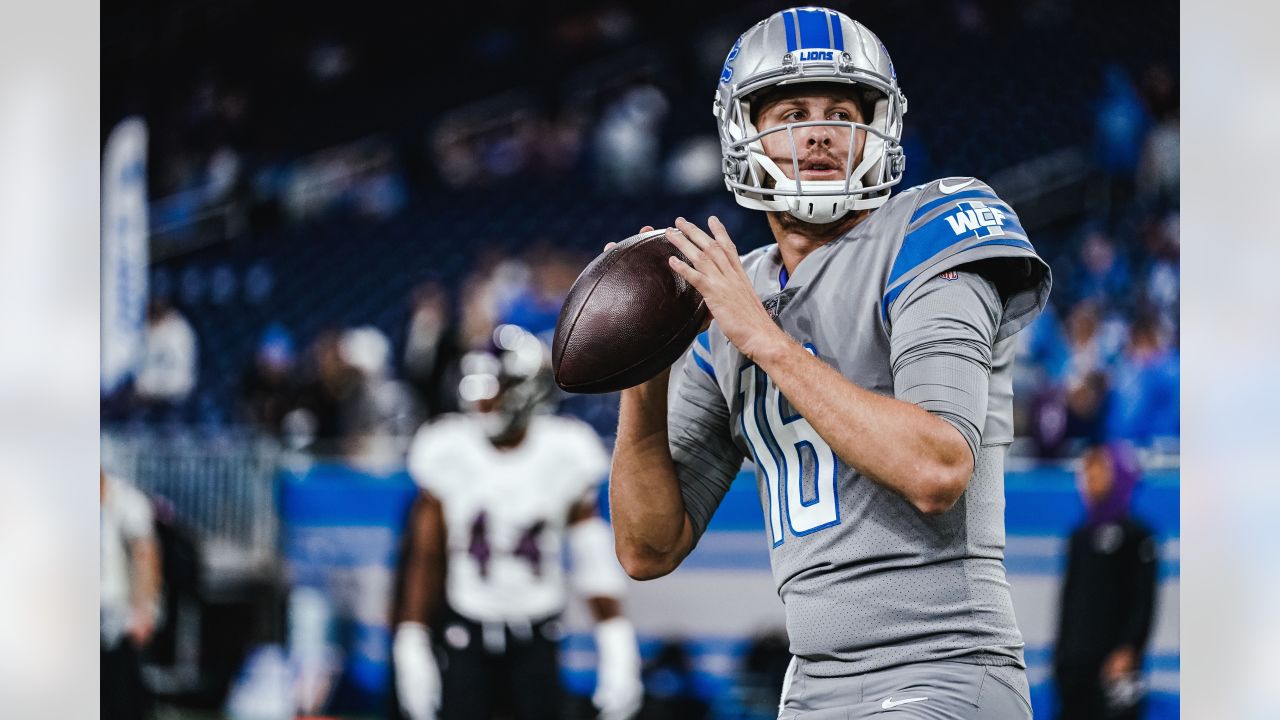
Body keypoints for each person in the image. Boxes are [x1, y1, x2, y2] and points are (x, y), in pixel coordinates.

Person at [608, 8, 1051, 719]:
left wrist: (768, 341)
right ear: (742, 134)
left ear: (875, 129)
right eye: (790, 112)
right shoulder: (733, 291)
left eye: (840, 111)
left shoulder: (928, 230)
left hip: (942, 670)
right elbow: (647, 547)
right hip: (813, 686)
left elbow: (937, 468)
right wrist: (645, 371)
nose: (817, 132)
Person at [393, 325, 644, 720]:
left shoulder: (564, 450)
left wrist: (616, 641)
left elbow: (591, 558)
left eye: (496, 387)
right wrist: (412, 638)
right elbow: (426, 557)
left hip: (538, 630)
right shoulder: (447, 447)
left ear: (526, 388)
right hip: (467, 626)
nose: (484, 401)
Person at [1054, 443, 1158, 720]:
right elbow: (1069, 599)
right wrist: (1061, 656)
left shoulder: (1139, 536)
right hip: (1075, 665)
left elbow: (1144, 600)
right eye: (1087, 471)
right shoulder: (1079, 537)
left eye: (1099, 469)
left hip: (1115, 664)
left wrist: (1129, 649)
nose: (1090, 478)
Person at [101, 467, 163, 720]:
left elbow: (145, 556)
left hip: (117, 615)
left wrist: (143, 610)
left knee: (120, 694)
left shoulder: (126, 501)